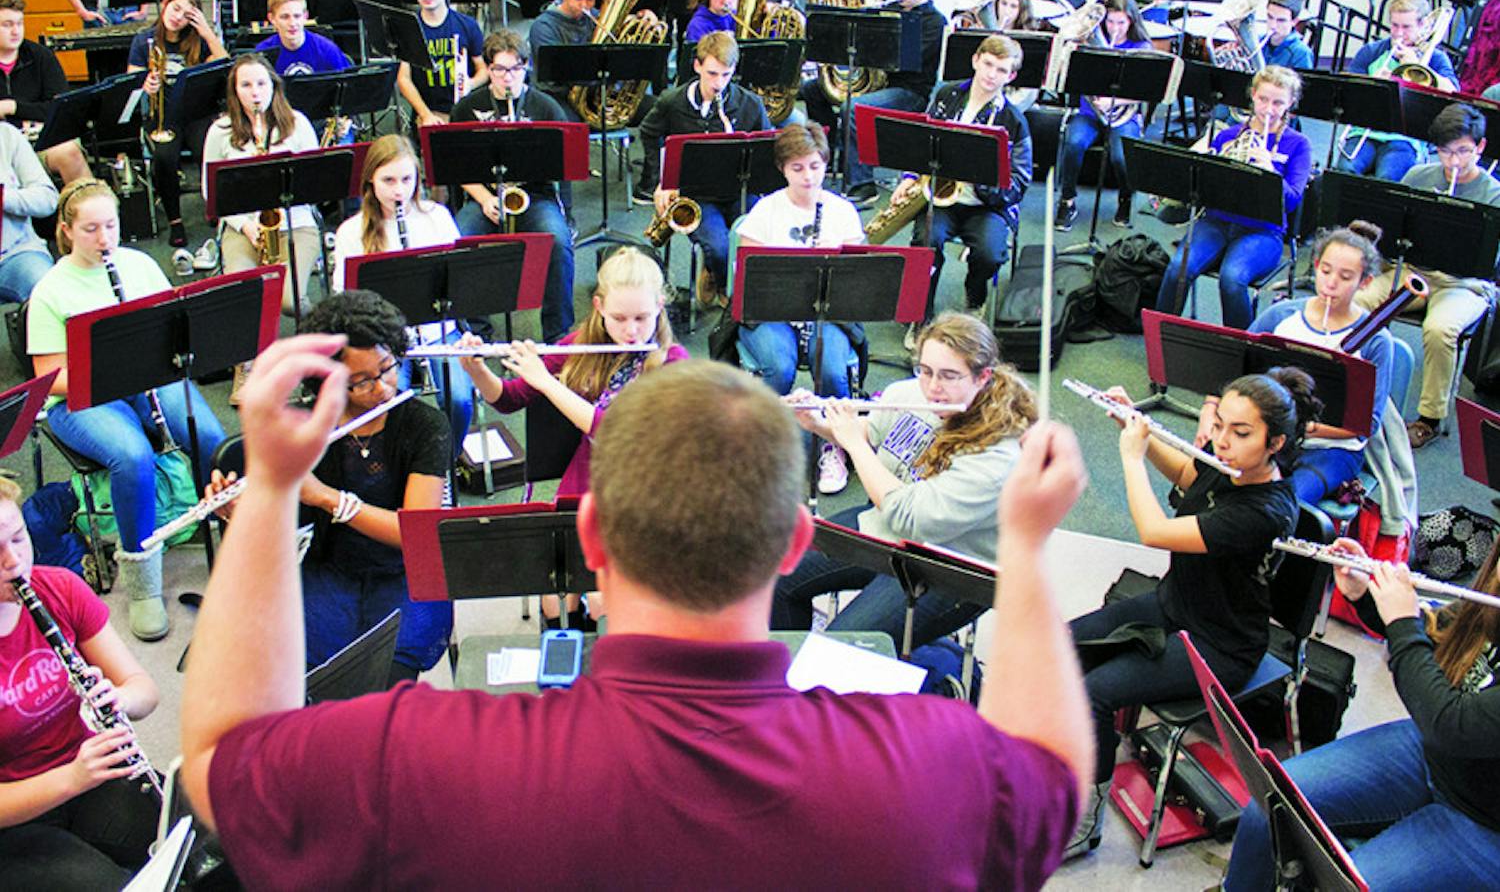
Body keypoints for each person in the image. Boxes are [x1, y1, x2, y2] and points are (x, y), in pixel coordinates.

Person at [177, 334, 1094, 889]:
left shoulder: (412, 754)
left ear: (592, 534)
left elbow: (217, 760)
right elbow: (1056, 772)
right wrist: (1023, 545)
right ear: (795, 545)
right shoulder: (929, 760)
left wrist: (269, 489)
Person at [1063, 368, 1311, 859]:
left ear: (1275, 442)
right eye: (1220, 425)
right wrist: (1135, 425)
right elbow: (1187, 475)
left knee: (1095, 693)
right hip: (1173, 604)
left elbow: (1154, 531)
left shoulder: (1264, 511)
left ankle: (1084, 820)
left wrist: (1131, 456)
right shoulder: (1233, 464)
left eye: (1241, 433)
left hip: (1219, 645)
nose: (1221, 441)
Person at [1223, 538, 1500, 891]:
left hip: (1484, 823)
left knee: (1347, 887)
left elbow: (1451, 725)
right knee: (1268, 806)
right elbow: (1439, 635)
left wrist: (1402, 623)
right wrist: (1369, 594)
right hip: (1432, 755)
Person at [209, 290, 453, 684]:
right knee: (308, 678)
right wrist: (238, 514)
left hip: (405, 574)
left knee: (386, 680)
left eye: (388, 367)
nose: (384, 388)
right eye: (361, 382)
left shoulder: (426, 426)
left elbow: (417, 534)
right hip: (329, 570)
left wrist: (327, 498)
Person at [26, 180, 227, 639]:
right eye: (91, 229)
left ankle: (229, 536)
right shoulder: (50, 290)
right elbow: (49, 377)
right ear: (67, 231)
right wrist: (113, 372)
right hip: (80, 399)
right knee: (132, 455)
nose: (104, 239)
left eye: (111, 226)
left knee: (211, 438)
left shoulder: (137, 265)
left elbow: (172, 328)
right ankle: (143, 582)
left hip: (149, 379)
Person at [774, 311, 1036, 644]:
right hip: (887, 528)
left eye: (949, 376)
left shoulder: (998, 456)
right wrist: (818, 423)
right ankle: (784, 677)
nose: (933, 388)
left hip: (949, 568)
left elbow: (910, 516)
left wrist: (853, 443)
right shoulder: (912, 393)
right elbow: (870, 433)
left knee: (841, 646)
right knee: (777, 575)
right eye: (925, 371)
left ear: (982, 377)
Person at [0, 481, 162, 890]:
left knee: (210, 832)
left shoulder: (58, 587)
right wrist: (72, 778)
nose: (13, 561)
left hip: (90, 771)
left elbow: (144, 690)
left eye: (19, 538)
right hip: (15, 817)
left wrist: (119, 698)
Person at [459, 246, 687, 499]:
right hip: (589, 478)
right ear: (599, 306)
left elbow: (617, 432)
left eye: (641, 318)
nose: (631, 331)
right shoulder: (581, 344)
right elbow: (509, 399)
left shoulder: (674, 363)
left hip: (648, 489)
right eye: (619, 318)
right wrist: (477, 371)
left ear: (659, 305)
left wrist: (547, 382)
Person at [1357, 103, 1500, 449]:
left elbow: (1491, 261)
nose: (1453, 161)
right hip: (1412, 271)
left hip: (1462, 284)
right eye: (1446, 152)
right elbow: (1391, 231)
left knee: (1440, 329)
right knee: (1358, 302)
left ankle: (1429, 418)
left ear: (1480, 149)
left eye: (1463, 151)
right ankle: (1351, 389)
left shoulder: (1494, 194)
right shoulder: (1419, 176)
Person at [736, 123, 866, 492]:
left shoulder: (842, 212)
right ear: (783, 169)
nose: (808, 176)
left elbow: (860, 282)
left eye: (815, 166)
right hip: (772, 312)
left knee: (834, 370)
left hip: (829, 312)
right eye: (797, 168)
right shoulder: (766, 211)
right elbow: (749, 277)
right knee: (778, 366)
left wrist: (836, 258)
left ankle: (833, 445)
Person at [331, 135, 472, 455]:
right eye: (388, 180)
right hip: (387, 340)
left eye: (407, 179)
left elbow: (460, 278)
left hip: (438, 329)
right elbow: (345, 297)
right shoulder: (351, 232)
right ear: (370, 180)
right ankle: (410, 470)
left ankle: (444, 462)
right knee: (392, 407)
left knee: (460, 400)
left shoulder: (437, 216)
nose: (399, 190)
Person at [1235, 222, 1394, 503]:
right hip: (1272, 432)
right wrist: (1213, 415)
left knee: (1285, 503)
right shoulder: (1280, 316)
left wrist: (1303, 427)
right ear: (1317, 265)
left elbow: (1366, 424)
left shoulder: (1376, 341)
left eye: (1346, 277)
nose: (1331, 283)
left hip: (1332, 448)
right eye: (1325, 271)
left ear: (1365, 282)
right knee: (1218, 482)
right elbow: (1235, 366)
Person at [1155, 65, 1311, 329]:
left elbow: (1293, 200)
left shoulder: (1298, 144)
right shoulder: (1227, 135)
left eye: (1278, 103)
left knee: (1232, 278)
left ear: (1290, 104)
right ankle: (1158, 337)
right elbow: (1203, 191)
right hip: (1217, 222)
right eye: (1263, 99)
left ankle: (1241, 351)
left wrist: (1269, 170)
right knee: (1177, 269)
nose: (1268, 109)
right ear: (1252, 95)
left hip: (1263, 232)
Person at [892, 33, 1033, 319]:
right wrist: (909, 177)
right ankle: (921, 313)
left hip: (988, 207)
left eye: (1001, 70)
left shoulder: (1014, 121)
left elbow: (1018, 185)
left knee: (989, 254)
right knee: (924, 243)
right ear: (975, 60)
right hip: (941, 199)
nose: (991, 75)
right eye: (988, 64)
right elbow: (921, 144)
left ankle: (975, 294)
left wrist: (977, 175)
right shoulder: (947, 95)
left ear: (1011, 75)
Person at [451, 29, 576, 342]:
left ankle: (557, 335)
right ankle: (476, 332)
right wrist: (482, 197)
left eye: (515, 69)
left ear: (526, 67)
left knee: (559, 243)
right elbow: (454, 164)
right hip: (486, 197)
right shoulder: (468, 108)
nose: (508, 78)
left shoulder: (546, 108)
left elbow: (562, 168)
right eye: (499, 70)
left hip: (534, 195)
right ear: (488, 69)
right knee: (460, 242)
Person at [800, 0, 947, 203]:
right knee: (813, 90)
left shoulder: (935, 22)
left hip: (910, 92)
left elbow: (905, 63)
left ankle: (862, 184)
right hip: (881, 85)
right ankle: (834, 153)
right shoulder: (889, 10)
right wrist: (843, 11)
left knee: (854, 108)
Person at [638, 31, 772, 306]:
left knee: (756, 242)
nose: (718, 84)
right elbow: (650, 134)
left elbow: (768, 148)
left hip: (740, 191)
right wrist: (663, 181)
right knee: (721, 248)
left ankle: (721, 276)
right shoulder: (672, 102)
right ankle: (722, 279)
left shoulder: (750, 104)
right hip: (696, 193)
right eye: (711, 74)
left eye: (725, 75)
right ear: (697, 66)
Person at [201, 53, 321, 318]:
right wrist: (245, 225)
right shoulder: (220, 131)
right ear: (234, 91)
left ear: (273, 86)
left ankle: (319, 327)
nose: (255, 93)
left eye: (261, 84)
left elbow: (314, 183)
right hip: (242, 227)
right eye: (246, 85)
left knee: (289, 301)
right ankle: (249, 357)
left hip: (296, 224)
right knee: (244, 297)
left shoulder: (298, 124)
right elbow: (210, 192)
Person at [126, 0, 229, 249]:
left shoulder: (197, 38)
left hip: (195, 113)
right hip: (162, 115)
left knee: (209, 151)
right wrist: (144, 84)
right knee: (164, 158)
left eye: (186, 14)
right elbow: (132, 79)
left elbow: (225, 64)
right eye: (175, 9)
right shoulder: (144, 40)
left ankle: (215, 207)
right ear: (164, 5)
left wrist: (206, 31)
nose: (178, 17)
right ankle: (175, 220)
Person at [1054, 0, 1153, 232]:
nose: (1115, 28)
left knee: (1121, 157)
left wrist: (1114, 100)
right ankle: (1067, 200)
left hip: (1124, 114)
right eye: (1110, 22)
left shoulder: (1141, 48)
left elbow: (1147, 91)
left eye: (1121, 23)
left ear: (1131, 22)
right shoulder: (1089, 44)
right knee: (1074, 143)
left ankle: (1126, 198)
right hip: (1090, 112)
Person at [1336, 0, 1459, 181]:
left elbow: (1453, 94)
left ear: (1423, 25)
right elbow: (1347, 93)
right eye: (1394, 25)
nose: (1399, 33)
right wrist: (1372, 83)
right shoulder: (1372, 52)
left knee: (1388, 178)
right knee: (1343, 171)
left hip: (1405, 137)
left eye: (1406, 27)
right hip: (1364, 131)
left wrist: (1418, 67)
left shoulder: (1435, 57)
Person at [0, 0, 88, 185]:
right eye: (7, 25)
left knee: (70, 153)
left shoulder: (41, 56)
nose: (16, 31)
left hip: (41, 141)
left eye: (19, 24)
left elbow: (61, 109)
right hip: (3, 146)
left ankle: (89, 212)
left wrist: (13, 107)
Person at [395, 0, 485, 128]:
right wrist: (426, 114)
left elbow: (484, 70)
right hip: (427, 109)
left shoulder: (467, 25)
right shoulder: (409, 28)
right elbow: (403, 78)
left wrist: (470, 83)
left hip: (463, 107)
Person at [526, 0, 595, 120]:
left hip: (590, 94)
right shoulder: (543, 26)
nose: (585, 6)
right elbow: (560, 70)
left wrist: (642, 17)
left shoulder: (596, 18)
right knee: (573, 127)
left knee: (654, 108)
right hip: (555, 96)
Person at [0, 120, 58, 305]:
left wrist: (4, 198)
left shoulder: (7, 135)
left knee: (48, 293)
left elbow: (48, 199)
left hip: (16, 253)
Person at [254, 0, 353, 76]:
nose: (292, 23)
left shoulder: (327, 50)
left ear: (305, 16)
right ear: (272, 19)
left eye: (297, 16)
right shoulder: (263, 54)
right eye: (285, 17)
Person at [1261, 0, 1315, 70]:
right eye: (1270, 17)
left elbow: (1301, 82)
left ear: (1294, 21)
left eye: (1281, 20)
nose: (1273, 25)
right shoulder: (1257, 42)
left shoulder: (1301, 53)